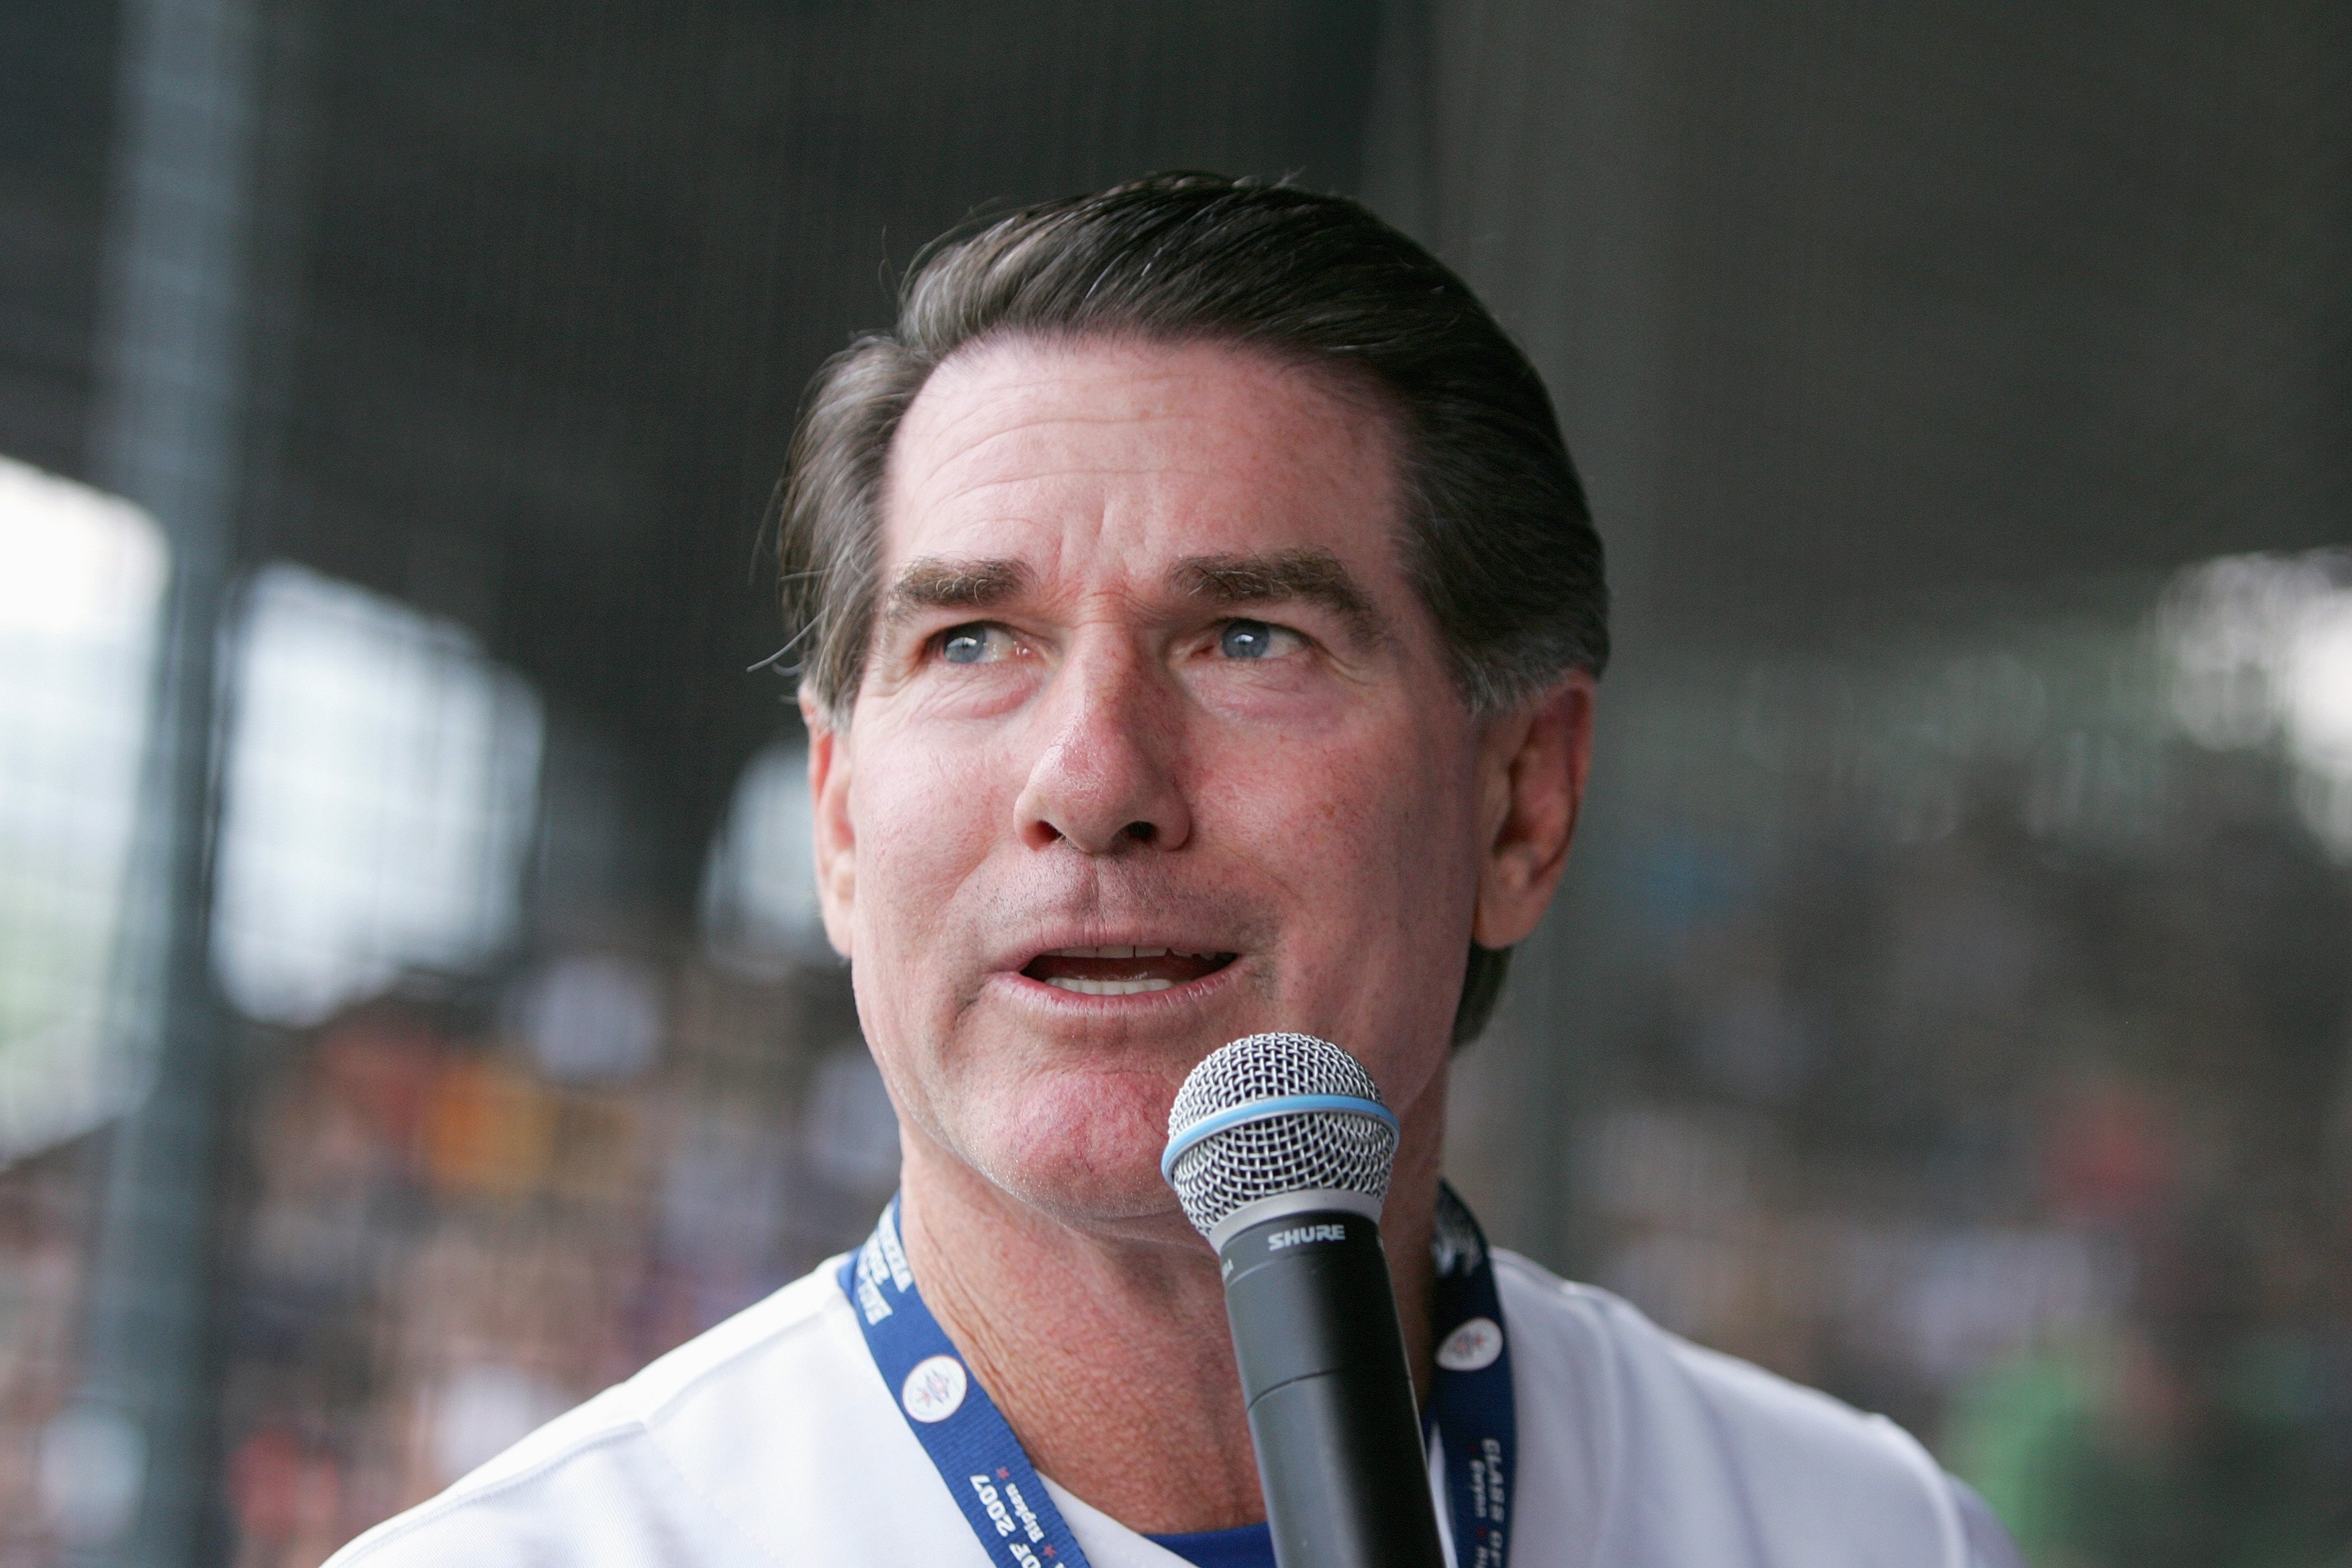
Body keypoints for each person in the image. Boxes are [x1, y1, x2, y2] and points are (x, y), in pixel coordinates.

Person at [327, 173, 2020, 1567]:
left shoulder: (1867, 1539)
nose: (1092, 782)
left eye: (1247, 637)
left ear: (1522, 803)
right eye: (974, 640)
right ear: (838, 824)